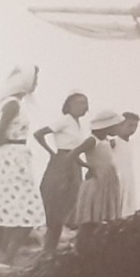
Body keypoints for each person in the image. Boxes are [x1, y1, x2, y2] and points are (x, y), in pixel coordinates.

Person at [0, 65, 47, 271]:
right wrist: (4, 147)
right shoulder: (12, 105)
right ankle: (2, 259)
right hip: (11, 158)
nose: (36, 84)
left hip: (11, 157)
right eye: (35, 80)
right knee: (27, 210)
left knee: (3, 208)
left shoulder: (9, 103)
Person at [34, 90, 89, 252]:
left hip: (74, 164)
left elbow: (77, 148)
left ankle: (53, 247)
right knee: (58, 203)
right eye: (79, 103)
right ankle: (48, 249)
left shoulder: (76, 123)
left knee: (71, 201)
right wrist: (51, 151)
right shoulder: (65, 120)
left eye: (85, 103)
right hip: (62, 162)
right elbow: (39, 134)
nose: (83, 106)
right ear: (69, 105)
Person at [71, 109, 127, 225]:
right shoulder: (92, 140)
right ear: (107, 126)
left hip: (109, 178)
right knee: (95, 207)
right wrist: (88, 167)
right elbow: (73, 154)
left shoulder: (106, 140)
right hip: (97, 177)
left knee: (107, 208)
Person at [115, 112, 140, 215]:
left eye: (135, 126)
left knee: (128, 204)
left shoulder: (130, 142)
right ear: (120, 125)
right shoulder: (114, 141)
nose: (133, 129)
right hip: (117, 177)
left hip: (128, 177)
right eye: (130, 125)